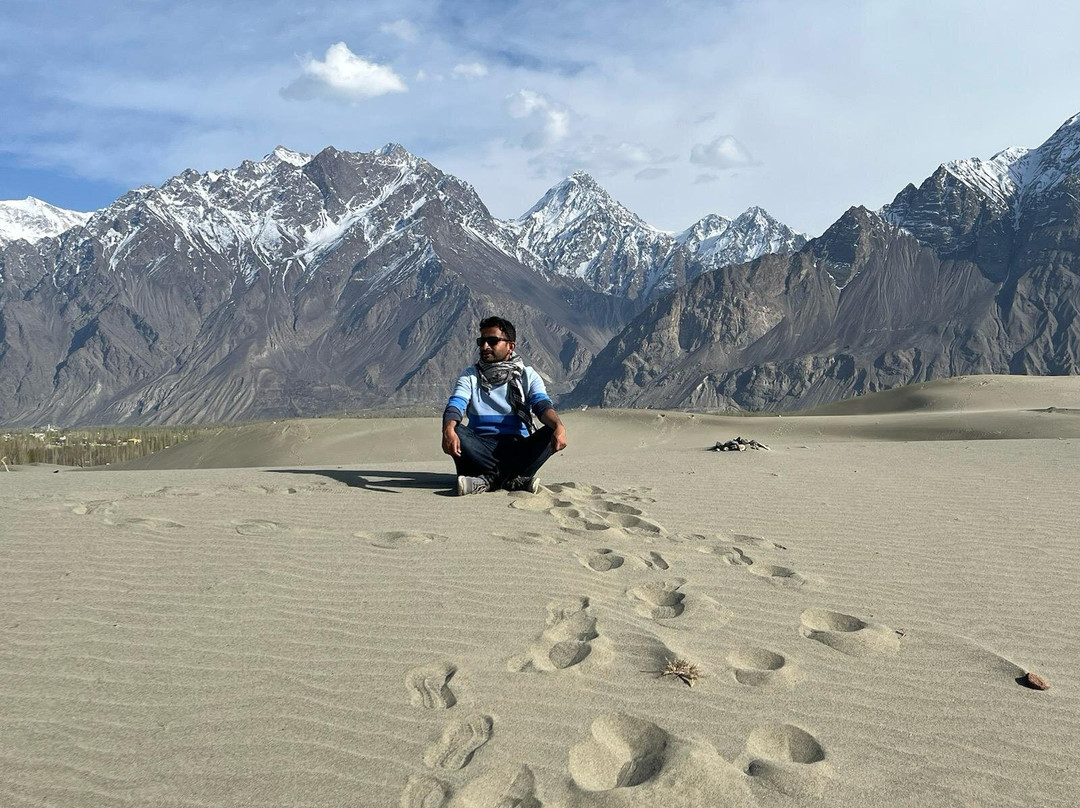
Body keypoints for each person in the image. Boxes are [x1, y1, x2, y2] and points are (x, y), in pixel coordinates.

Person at [442, 316, 568, 495]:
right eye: (482, 341)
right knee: (456, 430)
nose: (485, 346)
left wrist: (558, 426)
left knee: (551, 430)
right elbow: (456, 405)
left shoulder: (528, 376)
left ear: (511, 346)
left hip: (516, 447)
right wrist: (448, 430)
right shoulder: (470, 376)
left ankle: (488, 481)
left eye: (492, 341)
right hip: (480, 448)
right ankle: (512, 480)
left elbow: (542, 405)